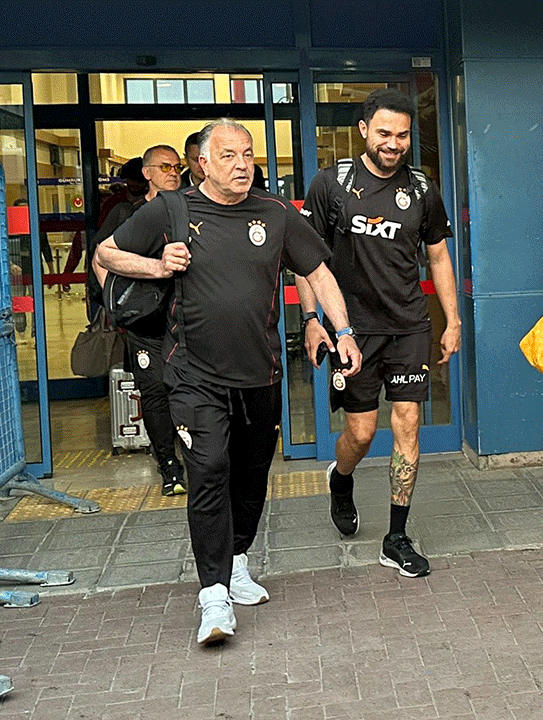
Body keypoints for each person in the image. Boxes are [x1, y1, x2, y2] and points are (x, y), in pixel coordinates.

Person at [96, 119, 361, 646]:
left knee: (252, 472)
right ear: (204, 163)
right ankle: (213, 597)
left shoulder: (276, 213)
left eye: (247, 154)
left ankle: (237, 560)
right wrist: (155, 265)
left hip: (259, 375)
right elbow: (106, 254)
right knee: (210, 469)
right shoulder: (172, 210)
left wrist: (343, 329)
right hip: (193, 375)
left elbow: (319, 273)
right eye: (229, 156)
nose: (242, 165)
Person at [297, 88, 460, 579]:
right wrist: (311, 319)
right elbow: (306, 261)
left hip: (409, 326)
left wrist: (451, 321)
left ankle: (396, 536)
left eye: (404, 135)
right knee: (362, 433)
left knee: (407, 424)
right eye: (385, 133)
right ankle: (340, 479)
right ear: (364, 130)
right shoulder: (332, 185)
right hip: (353, 331)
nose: (394, 143)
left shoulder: (423, 191)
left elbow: (437, 256)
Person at [89, 144, 189, 496]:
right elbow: (100, 260)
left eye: (177, 166)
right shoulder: (126, 215)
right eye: (164, 167)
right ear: (147, 172)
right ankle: (170, 468)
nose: (173, 172)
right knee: (155, 393)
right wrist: (121, 306)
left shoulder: (192, 208)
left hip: (188, 322)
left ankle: (197, 458)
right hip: (146, 325)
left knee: (191, 390)